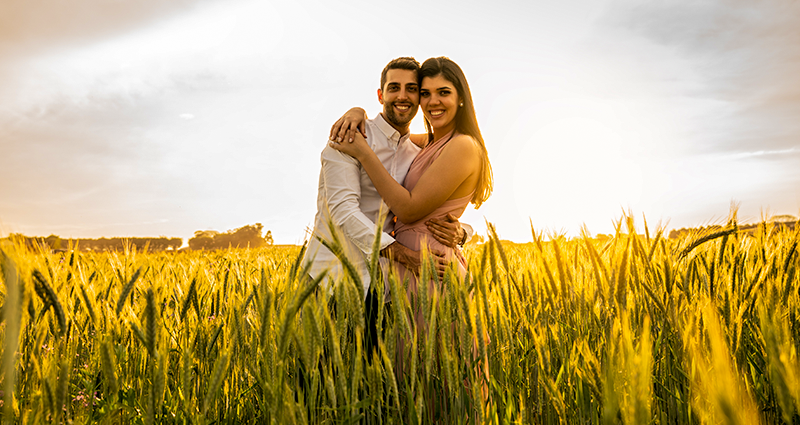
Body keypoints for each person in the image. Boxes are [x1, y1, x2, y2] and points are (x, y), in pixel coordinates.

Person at [303, 57, 470, 357]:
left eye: (411, 89)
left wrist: (462, 229)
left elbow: (437, 201)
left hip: (384, 287)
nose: (403, 96)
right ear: (380, 95)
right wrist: (406, 256)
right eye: (394, 88)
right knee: (317, 387)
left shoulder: (417, 149)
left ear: (419, 98)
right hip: (332, 278)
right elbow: (344, 211)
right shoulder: (349, 137)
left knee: (371, 389)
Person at [329, 56, 493, 297]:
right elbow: (389, 135)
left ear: (460, 99)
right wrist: (357, 112)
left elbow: (409, 210)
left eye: (443, 92)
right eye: (425, 93)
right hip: (409, 268)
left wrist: (364, 153)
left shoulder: (463, 146)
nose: (433, 101)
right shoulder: (431, 143)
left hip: (431, 266)